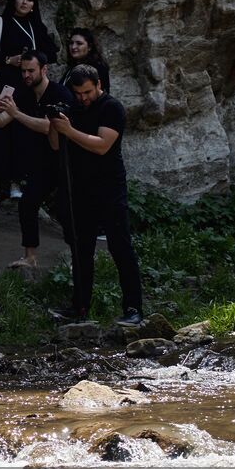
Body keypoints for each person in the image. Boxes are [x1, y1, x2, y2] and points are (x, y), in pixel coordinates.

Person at [50, 64, 144, 326]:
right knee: (82, 251)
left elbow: (102, 145)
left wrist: (70, 131)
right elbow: (56, 145)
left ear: (98, 84)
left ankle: (134, 308)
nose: (83, 98)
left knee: (120, 247)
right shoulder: (75, 108)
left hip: (109, 187)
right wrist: (55, 124)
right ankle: (79, 306)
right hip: (81, 189)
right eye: (78, 93)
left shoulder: (111, 108)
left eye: (88, 92)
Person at [0, 0, 59, 211]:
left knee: (21, 135)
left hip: (26, 88)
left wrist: (31, 60)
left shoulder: (36, 27)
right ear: (13, 1)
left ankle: (15, 182)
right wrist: (7, 60)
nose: (24, 2)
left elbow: (51, 53)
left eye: (30, 0)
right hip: (2, 86)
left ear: (34, 5)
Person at [0, 51, 74, 268]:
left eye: (31, 71)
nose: (26, 75)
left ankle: (78, 258)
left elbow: (50, 126)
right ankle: (30, 257)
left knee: (68, 211)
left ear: (44, 70)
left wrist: (16, 113)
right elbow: (1, 122)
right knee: (27, 204)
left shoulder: (60, 93)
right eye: (23, 71)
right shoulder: (24, 94)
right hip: (41, 162)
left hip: (67, 160)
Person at [63, 29, 110, 95]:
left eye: (79, 43)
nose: (73, 47)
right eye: (71, 43)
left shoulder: (98, 68)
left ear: (89, 47)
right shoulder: (72, 67)